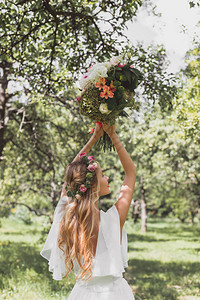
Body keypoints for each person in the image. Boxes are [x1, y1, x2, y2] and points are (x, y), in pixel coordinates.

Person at [40, 123, 137, 299]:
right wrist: (112, 135)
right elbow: (130, 173)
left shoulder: (68, 219)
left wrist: (93, 139)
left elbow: (70, 178)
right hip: (115, 294)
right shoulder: (113, 220)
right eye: (102, 175)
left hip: (83, 293)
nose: (106, 178)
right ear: (92, 185)